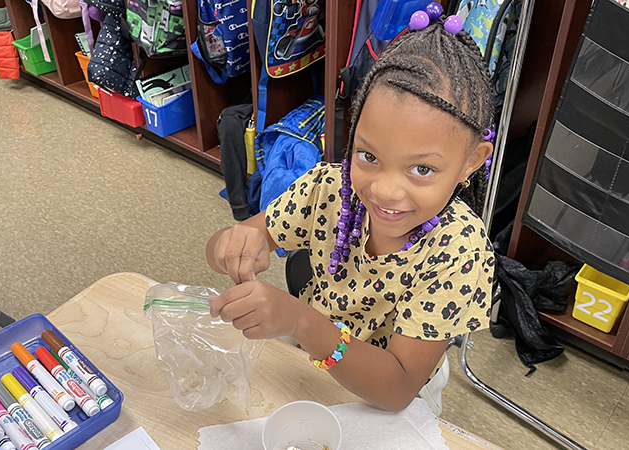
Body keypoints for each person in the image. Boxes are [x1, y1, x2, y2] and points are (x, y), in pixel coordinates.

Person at [205, 10, 496, 414]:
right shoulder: (330, 187)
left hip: (388, 394)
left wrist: (301, 323)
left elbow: (397, 389)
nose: (385, 190)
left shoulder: (460, 252)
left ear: (471, 161)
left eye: (422, 169)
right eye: (369, 155)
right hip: (306, 357)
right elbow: (238, 239)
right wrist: (233, 244)